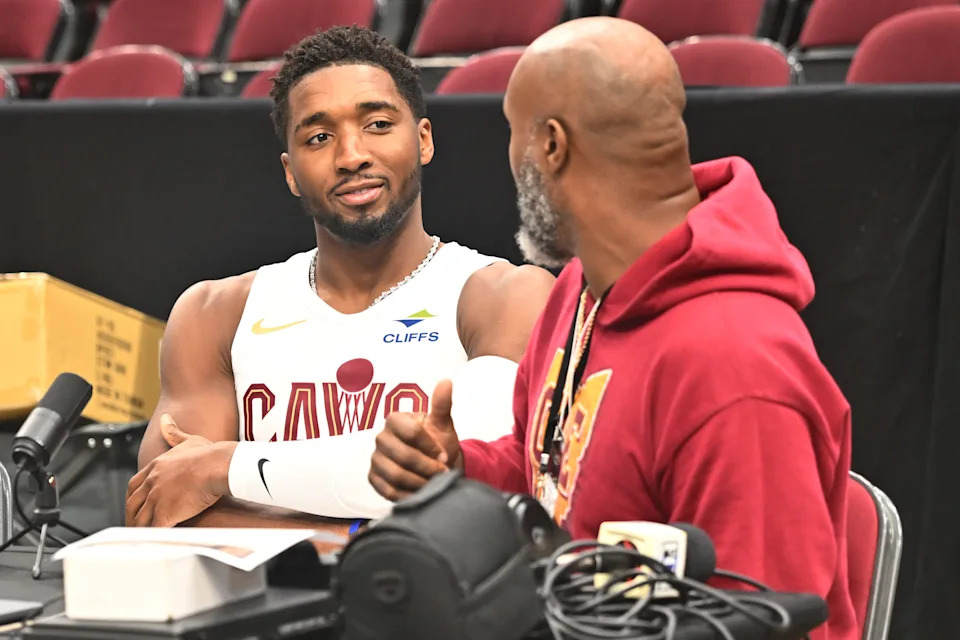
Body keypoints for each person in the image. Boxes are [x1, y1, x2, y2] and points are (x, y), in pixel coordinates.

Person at [368, 17, 856, 639]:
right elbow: (550, 467)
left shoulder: (737, 368)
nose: (509, 161)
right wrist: (458, 468)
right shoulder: (581, 288)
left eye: (512, 136)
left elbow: (762, 622)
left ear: (551, 145)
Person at [124, 26, 554, 535]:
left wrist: (224, 467)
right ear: (290, 171)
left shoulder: (504, 297)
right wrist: (361, 537)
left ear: (423, 140)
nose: (351, 156)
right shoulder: (213, 314)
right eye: (319, 137)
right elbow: (164, 515)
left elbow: (466, 490)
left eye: (376, 124)